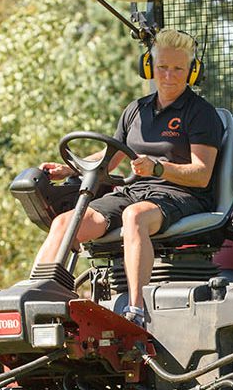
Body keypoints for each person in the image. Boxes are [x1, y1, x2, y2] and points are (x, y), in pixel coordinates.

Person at [33, 28, 223, 328]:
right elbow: (109, 157)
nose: (169, 75)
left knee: (135, 217)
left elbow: (201, 174)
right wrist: (70, 168)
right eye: (162, 67)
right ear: (149, 67)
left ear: (192, 71)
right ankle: (38, 301)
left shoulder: (201, 114)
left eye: (178, 69)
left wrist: (159, 169)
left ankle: (135, 311)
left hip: (182, 195)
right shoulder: (136, 110)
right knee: (64, 223)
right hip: (135, 191)